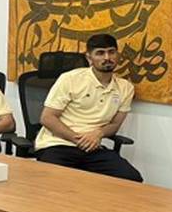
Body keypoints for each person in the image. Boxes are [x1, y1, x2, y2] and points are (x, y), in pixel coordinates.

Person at [33, 34, 142, 182]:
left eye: (111, 52)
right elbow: (47, 118)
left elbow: (115, 125)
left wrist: (98, 134)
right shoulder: (70, 79)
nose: (107, 58)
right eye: (100, 53)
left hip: (93, 149)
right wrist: (78, 140)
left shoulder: (125, 88)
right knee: (58, 183)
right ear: (89, 58)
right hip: (58, 144)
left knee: (132, 179)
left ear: (118, 55)